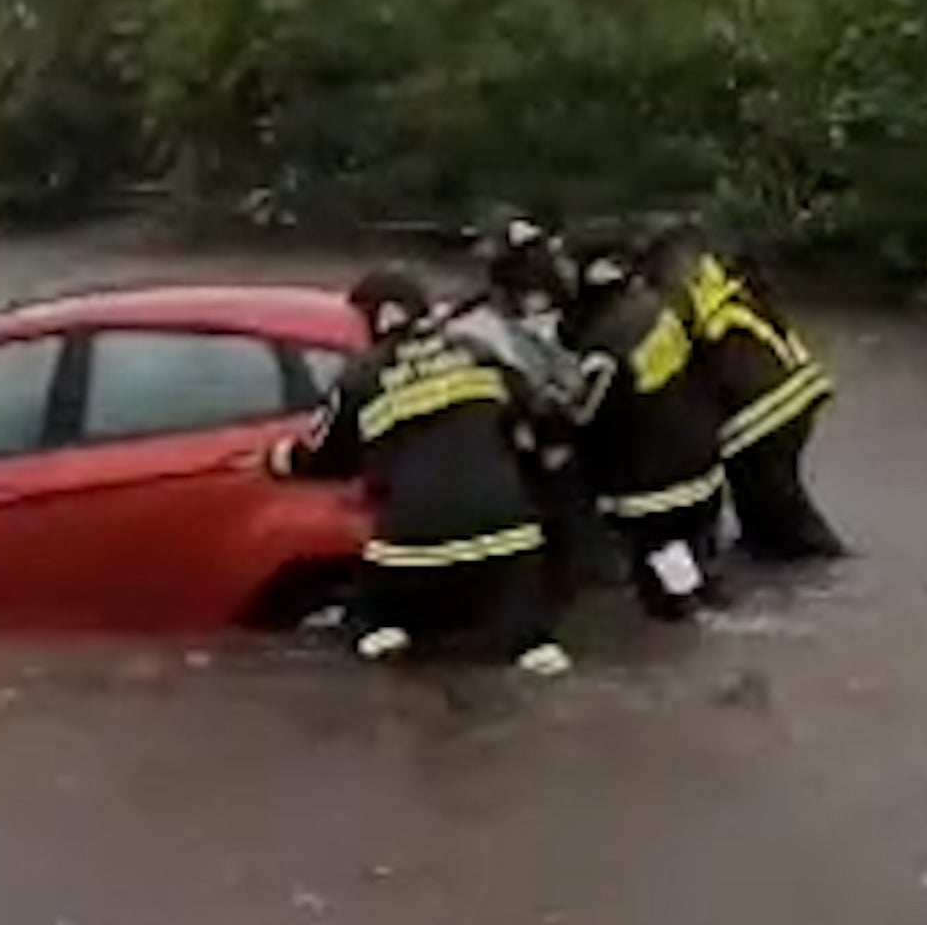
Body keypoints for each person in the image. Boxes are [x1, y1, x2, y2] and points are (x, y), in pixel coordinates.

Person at [268, 266, 573, 677]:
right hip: (506, 538)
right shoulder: (478, 352)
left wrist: (280, 459)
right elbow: (545, 419)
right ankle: (533, 648)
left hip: (413, 547)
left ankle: (388, 639)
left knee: (375, 633)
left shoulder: (361, 376)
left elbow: (327, 456)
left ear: (377, 317)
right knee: (531, 644)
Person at [638, 222, 847, 564]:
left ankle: (822, 563)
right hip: (792, 396)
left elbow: (672, 351)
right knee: (761, 502)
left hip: (761, 414)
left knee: (780, 504)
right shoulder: (725, 283)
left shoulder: (686, 292)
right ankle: (773, 556)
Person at [439, 213, 609, 605]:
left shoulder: (526, 324)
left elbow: (561, 383)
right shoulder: (481, 330)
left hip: (541, 456)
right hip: (523, 458)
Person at [561, 243, 729, 619]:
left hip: (652, 484)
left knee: (663, 587)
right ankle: (707, 601)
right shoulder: (664, 309)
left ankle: (685, 620)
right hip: (703, 463)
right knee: (696, 558)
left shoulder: (604, 344)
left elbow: (583, 416)